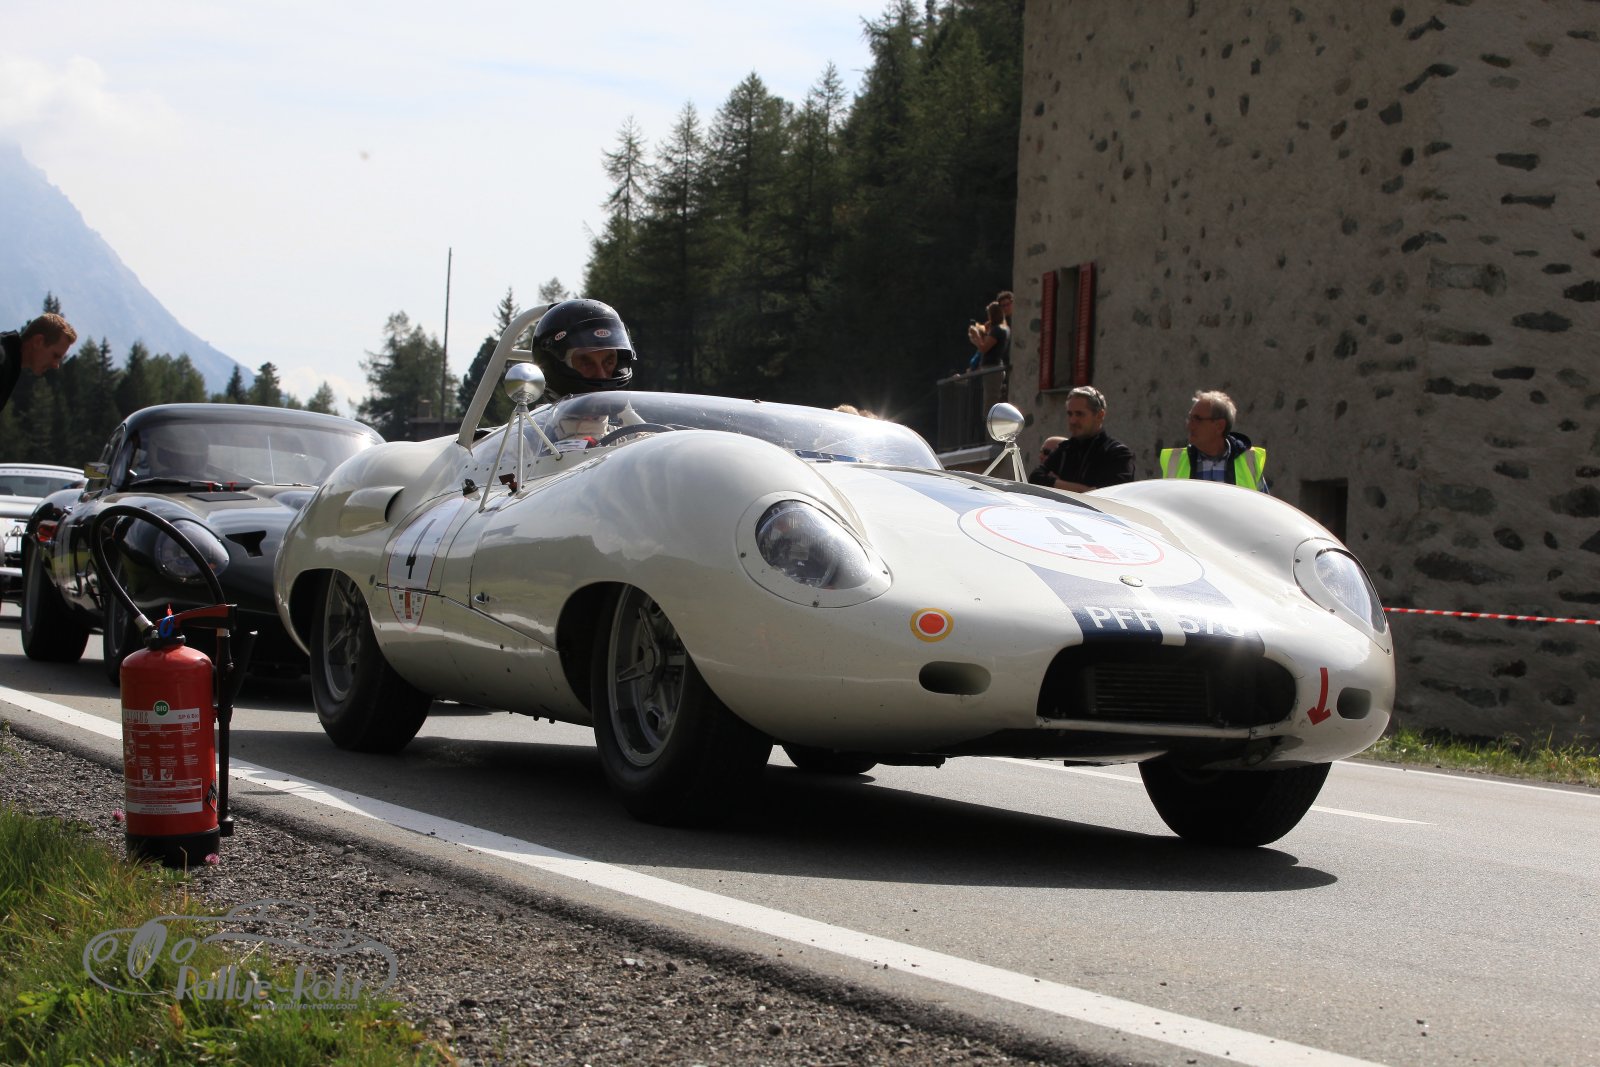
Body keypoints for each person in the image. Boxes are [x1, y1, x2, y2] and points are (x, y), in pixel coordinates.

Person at [1027, 386, 1135, 491]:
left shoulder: (1117, 453)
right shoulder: (1064, 450)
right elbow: (1035, 478)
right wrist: (1084, 490)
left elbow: (1111, 493)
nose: (1072, 420)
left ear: (1100, 415)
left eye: (1079, 414)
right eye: (1070, 414)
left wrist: (1056, 484)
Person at [1160, 389, 1269, 493]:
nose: (1189, 426)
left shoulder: (1249, 461)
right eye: (1190, 418)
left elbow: (1264, 503)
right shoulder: (1175, 462)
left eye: (1197, 419)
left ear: (1219, 426)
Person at [529, 298, 637, 399]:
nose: (602, 376)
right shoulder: (534, 415)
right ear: (556, 367)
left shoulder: (638, 413)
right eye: (586, 364)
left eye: (609, 362)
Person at [0, 313, 77, 414]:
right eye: (55, 355)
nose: (56, 365)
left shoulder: (10, 360)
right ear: (38, 341)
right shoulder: (2, 358)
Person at [965, 300, 1010, 371]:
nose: (989, 317)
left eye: (989, 314)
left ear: (993, 314)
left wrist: (977, 335)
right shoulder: (1004, 328)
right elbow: (983, 346)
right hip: (992, 367)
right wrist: (974, 339)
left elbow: (983, 349)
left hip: (992, 368)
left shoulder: (997, 329)